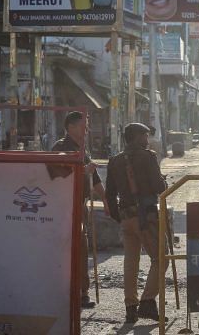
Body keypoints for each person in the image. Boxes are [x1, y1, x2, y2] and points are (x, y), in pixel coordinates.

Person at [105, 123, 168, 323]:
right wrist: (164, 181)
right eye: (145, 135)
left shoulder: (114, 161)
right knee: (162, 258)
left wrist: (119, 216)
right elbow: (159, 186)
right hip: (146, 216)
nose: (147, 139)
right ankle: (148, 301)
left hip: (126, 216)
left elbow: (109, 194)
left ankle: (130, 307)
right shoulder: (147, 157)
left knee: (131, 263)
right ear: (137, 137)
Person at [49, 111, 109, 308]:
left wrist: (106, 200)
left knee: (82, 248)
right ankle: (63, 290)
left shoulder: (82, 148)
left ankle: (82, 291)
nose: (87, 130)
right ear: (72, 127)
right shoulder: (60, 148)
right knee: (65, 249)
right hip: (64, 205)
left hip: (80, 205)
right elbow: (55, 175)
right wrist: (83, 171)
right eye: (84, 126)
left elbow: (96, 179)